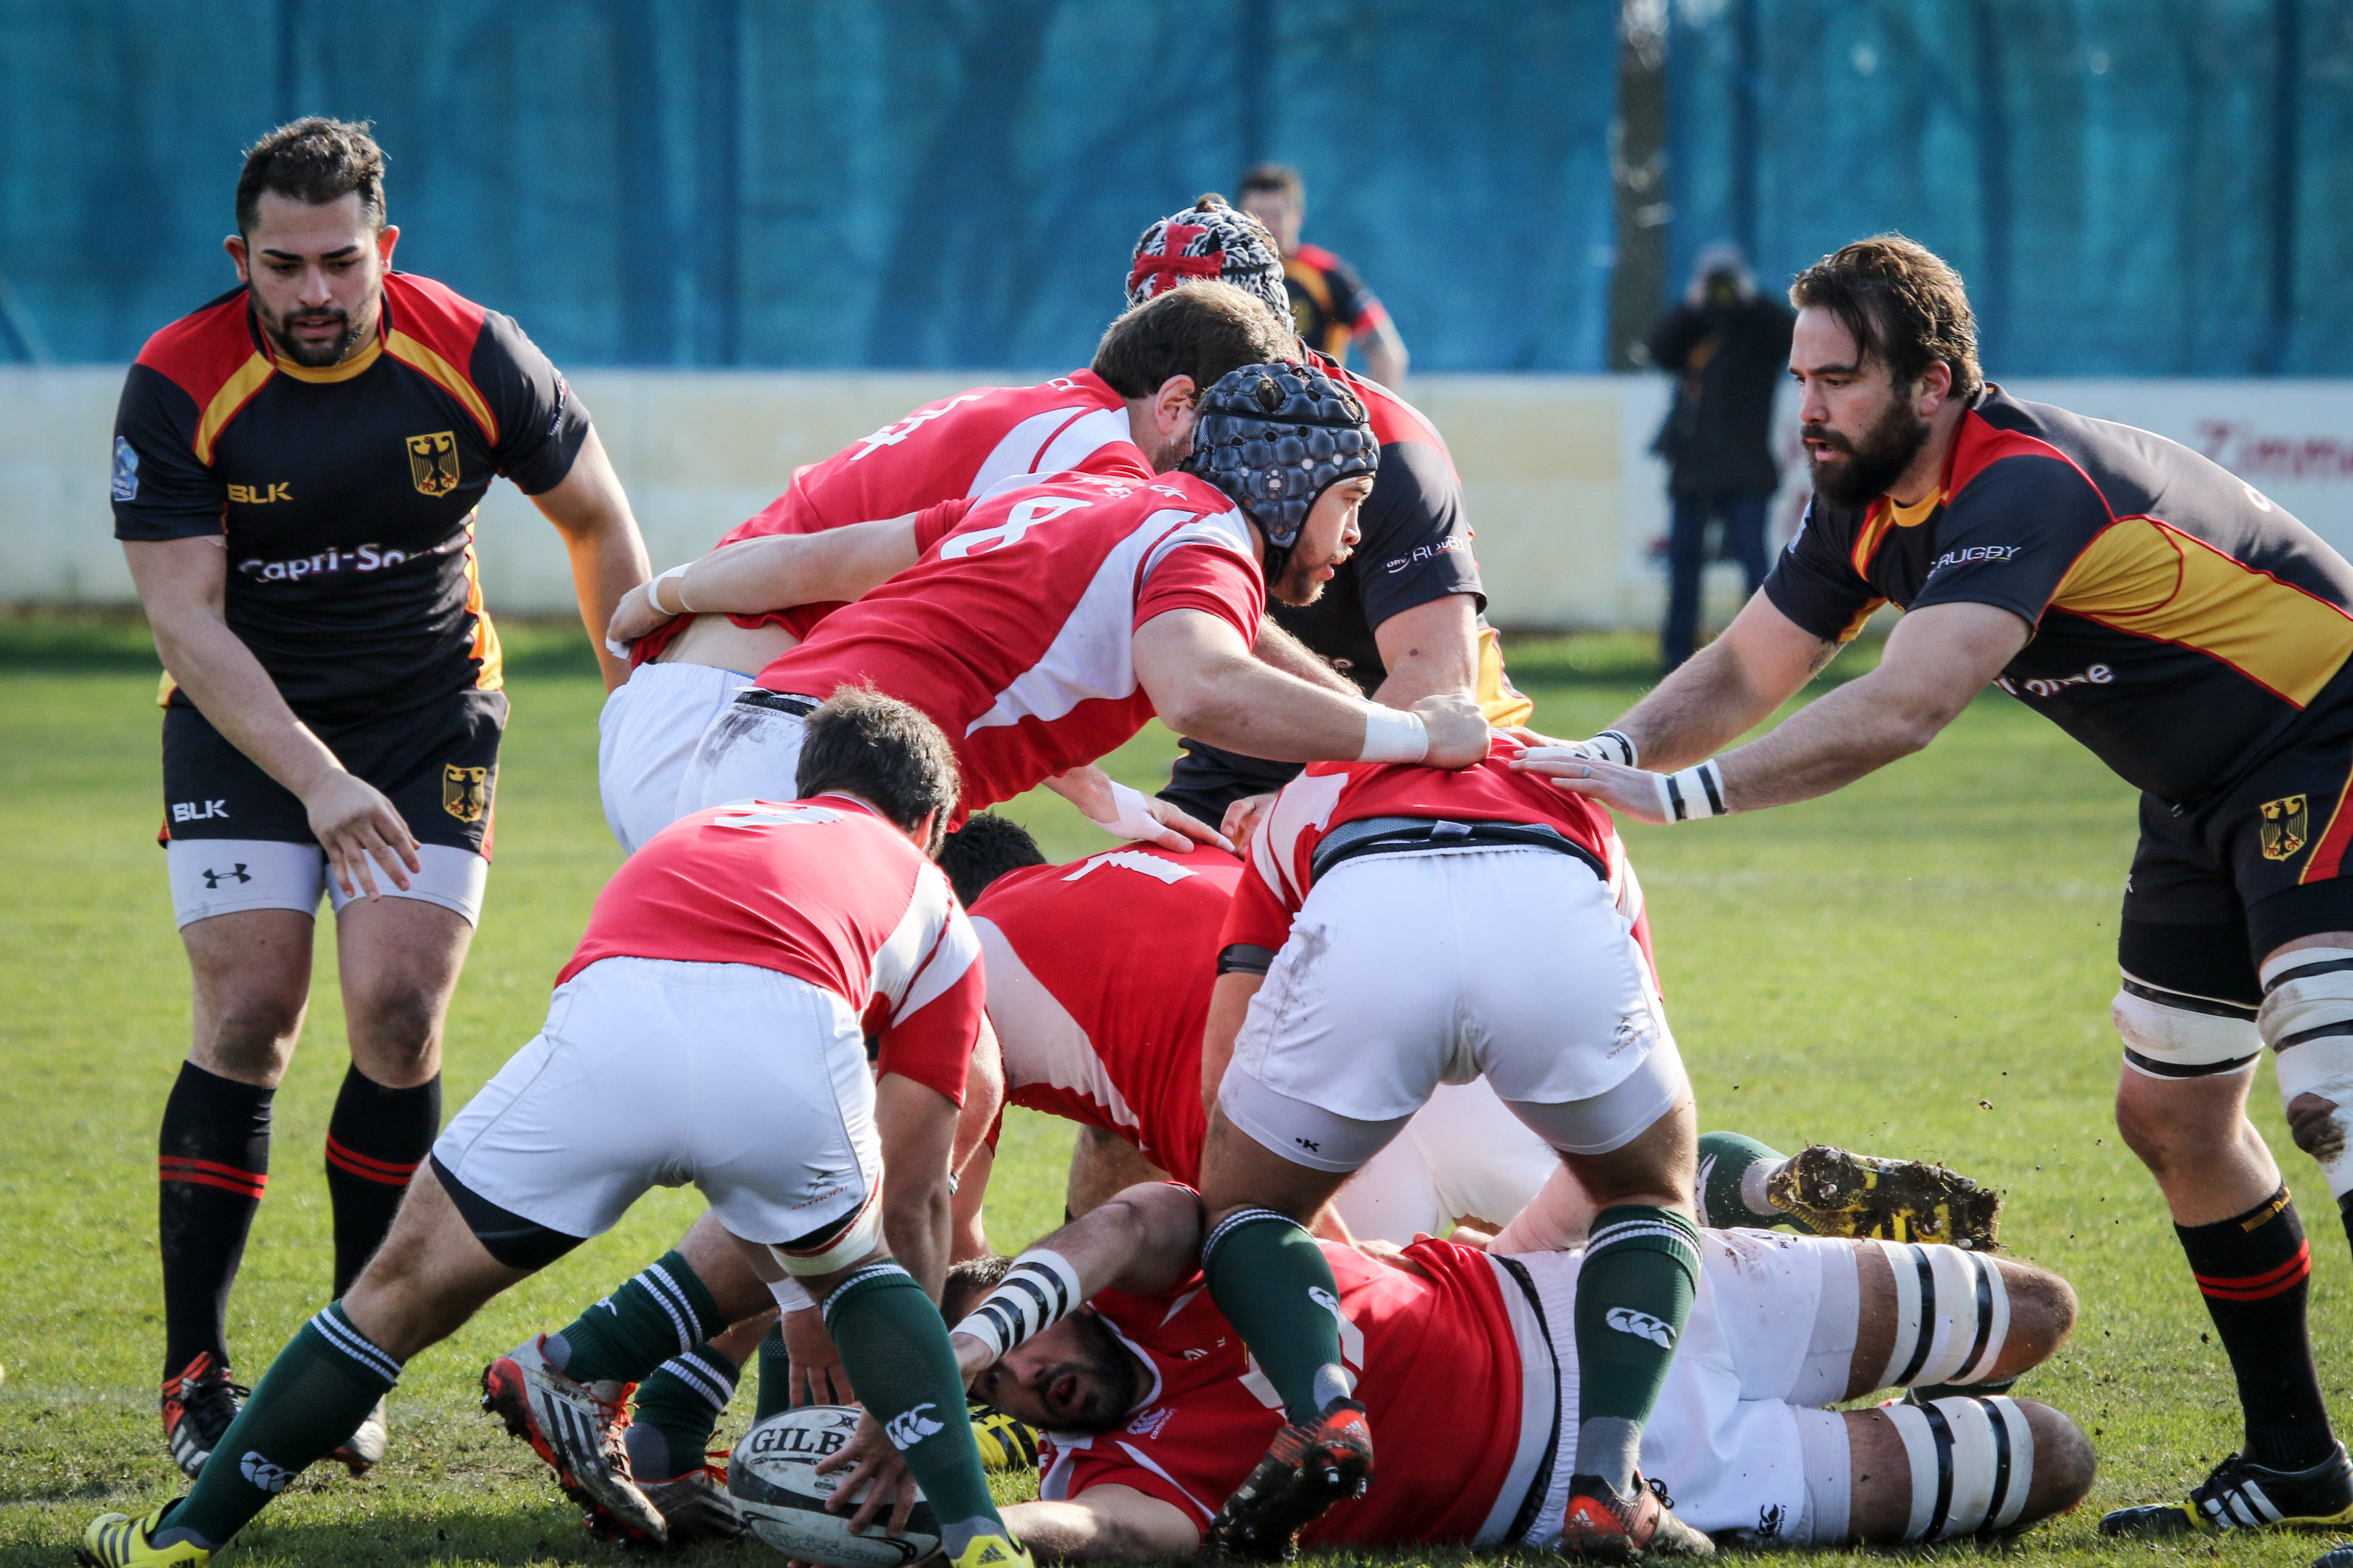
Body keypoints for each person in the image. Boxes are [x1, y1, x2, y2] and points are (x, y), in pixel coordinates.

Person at [1524, 233, 2353, 1540]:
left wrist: (1687, 797)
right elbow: (1745, 668)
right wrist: (1613, 755)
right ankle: (2298, 1463)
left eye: (1838, 380)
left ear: (1933, 384)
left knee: (2333, 1094)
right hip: (2200, 796)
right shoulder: (1858, 501)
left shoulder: (2021, 480)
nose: (1808, 410)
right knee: (2172, 1119)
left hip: (2327, 736)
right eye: (1802, 379)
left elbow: (1906, 706)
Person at [79, 691, 1036, 1568]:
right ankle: (981, 1540)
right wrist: (885, 1385)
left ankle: (184, 1537)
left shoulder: (700, 829)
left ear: (805, 783)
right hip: (784, 1048)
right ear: (931, 825)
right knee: (864, 1273)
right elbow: (916, 1196)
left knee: (392, 1296)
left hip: (610, 1035)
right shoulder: (932, 900)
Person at [109, 118, 649, 1482]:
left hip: (426, 712)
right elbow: (185, 624)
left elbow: (596, 522)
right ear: (239, 256)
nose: (314, 292)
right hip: (244, 719)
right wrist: (317, 781)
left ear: (384, 248)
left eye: (340, 262)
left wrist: (645, 716)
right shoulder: (177, 381)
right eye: (282, 265)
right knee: (249, 1012)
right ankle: (195, 1373)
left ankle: (350, 1356)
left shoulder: (473, 350)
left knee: (400, 1015)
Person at [939, 1182, 2094, 1557]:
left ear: (1053, 1295)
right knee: (2052, 1458)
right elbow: (1111, 1532)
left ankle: (1745, 1183)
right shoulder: (1099, 1469)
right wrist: (970, 1522)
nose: (1025, 1376)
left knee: (2038, 1309)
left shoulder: (1153, 1267)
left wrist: (970, 1342)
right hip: (1626, 1482)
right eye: (995, 1390)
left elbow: (1130, 1215)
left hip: (1615, 1301)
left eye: (1014, 1343)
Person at [1192, 731, 1708, 1558]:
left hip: (1371, 922)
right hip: (1545, 906)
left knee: (1250, 1205)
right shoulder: (1561, 774)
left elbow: (1228, 1041)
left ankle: (1323, 1411)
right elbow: (1636, 1003)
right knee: (1645, 1189)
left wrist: (1249, 1179)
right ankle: (1609, 1479)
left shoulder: (1309, 788)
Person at [597, 278, 1299, 857]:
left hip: (691, 715)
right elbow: (832, 569)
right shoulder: (1100, 465)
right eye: (1234, 434)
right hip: (757, 726)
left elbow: (946, 633)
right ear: (1175, 405)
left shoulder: (1046, 412)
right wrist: (1361, 725)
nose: (1235, 466)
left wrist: (665, 593)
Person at [675, 357, 1491, 825]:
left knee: (950, 1026)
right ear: (1285, 484)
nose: (1354, 535)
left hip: (754, 739)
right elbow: (1199, 690)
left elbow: (849, 564)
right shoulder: (1204, 540)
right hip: (834, 776)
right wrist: (1413, 736)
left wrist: (657, 598)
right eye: (1349, 501)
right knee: (897, 1046)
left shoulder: (1083, 493)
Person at [1129, 198, 1530, 836]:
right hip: (1259, 735)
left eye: (1202, 350)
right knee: (1143, 889)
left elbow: (1434, 683)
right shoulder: (1151, 428)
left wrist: (1301, 807)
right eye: (1156, 359)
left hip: (1434, 751)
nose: (1178, 390)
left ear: (1271, 331)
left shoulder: (1391, 450)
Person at [1646, 244, 1796, 671]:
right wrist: (1690, 306)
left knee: (1754, 564)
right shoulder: (1695, 326)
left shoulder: (1758, 327)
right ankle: (1677, 656)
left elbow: (1791, 337)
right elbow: (1658, 351)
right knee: (1684, 566)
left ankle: (1762, 652)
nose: (1722, 291)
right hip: (1693, 470)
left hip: (1747, 469)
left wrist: (1753, 299)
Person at [1237, 164, 1409, 388]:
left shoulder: (1327, 275)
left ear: (1297, 216)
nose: (1266, 225)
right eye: (1257, 216)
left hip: (1313, 406)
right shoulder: (1222, 276)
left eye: (1276, 215)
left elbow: (1388, 357)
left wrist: (1361, 406)